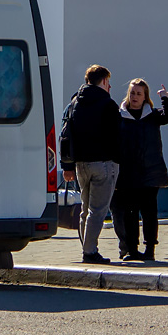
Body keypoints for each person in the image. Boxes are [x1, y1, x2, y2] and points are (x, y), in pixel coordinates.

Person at [60, 64, 121, 264]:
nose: (110, 87)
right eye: (108, 82)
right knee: (98, 210)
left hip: (80, 165)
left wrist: (67, 165)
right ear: (103, 81)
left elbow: (66, 135)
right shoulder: (107, 103)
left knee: (85, 208)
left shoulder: (75, 103)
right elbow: (116, 137)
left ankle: (86, 248)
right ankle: (90, 251)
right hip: (103, 163)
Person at [110, 79, 168, 262]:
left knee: (149, 212)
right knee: (129, 213)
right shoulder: (119, 116)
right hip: (127, 173)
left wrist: (165, 98)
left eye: (139, 94)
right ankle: (132, 249)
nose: (135, 97)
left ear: (145, 97)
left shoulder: (153, 115)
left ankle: (150, 249)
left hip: (150, 172)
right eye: (132, 93)